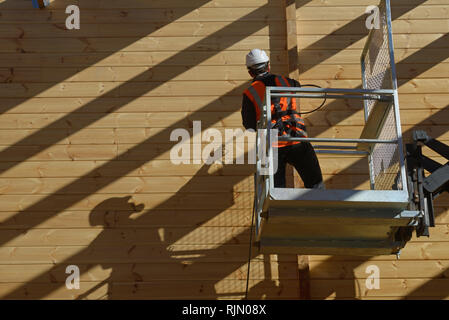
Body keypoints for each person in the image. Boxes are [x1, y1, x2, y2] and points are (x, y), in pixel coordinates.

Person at [241, 49, 325, 189]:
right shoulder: (287, 82)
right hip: (296, 136)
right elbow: (298, 86)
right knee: (316, 185)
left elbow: (249, 125)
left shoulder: (249, 92)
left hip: (269, 144)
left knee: (273, 193)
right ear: (268, 66)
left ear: (250, 72)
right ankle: (321, 208)